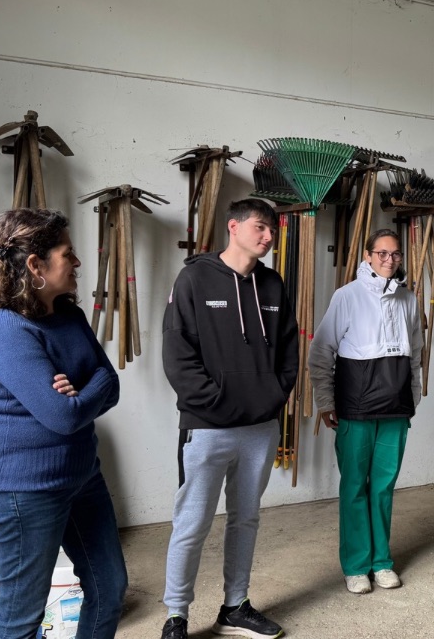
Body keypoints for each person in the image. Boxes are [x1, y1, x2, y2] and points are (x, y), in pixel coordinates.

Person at [0, 208, 126, 638]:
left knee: (110, 590)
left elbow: (110, 384)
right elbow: (62, 415)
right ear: (35, 265)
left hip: (82, 477)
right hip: (24, 491)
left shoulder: (70, 316)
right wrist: (84, 390)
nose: (77, 262)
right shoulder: (3, 329)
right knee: (21, 618)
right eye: (67, 254)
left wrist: (82, 389)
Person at [160, 199, 298, 639]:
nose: (269, 236)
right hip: (206, 428)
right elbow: (177, 354)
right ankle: (176, 616)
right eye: (260, 227)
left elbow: (289, 351)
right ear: (233, 227)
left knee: (246, 519)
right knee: (192, 523)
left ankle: (235, 606)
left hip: (260, 429)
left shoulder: (272, 284)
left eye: (272, 229)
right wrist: (217, 403)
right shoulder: (194, 279)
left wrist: (273, 396)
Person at [308, 228, 422, 594]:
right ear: (368, 256)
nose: (389, 260)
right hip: (354, 407)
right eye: (382, 253)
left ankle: (382, 562)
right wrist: (326, 401)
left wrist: (413, 397)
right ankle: (357, 566)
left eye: (396, 254)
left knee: (384, 487)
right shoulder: (347, 296)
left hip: (396, 408)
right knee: (355, 486)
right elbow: (321, 351)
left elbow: (416, 354)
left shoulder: (409, 299)